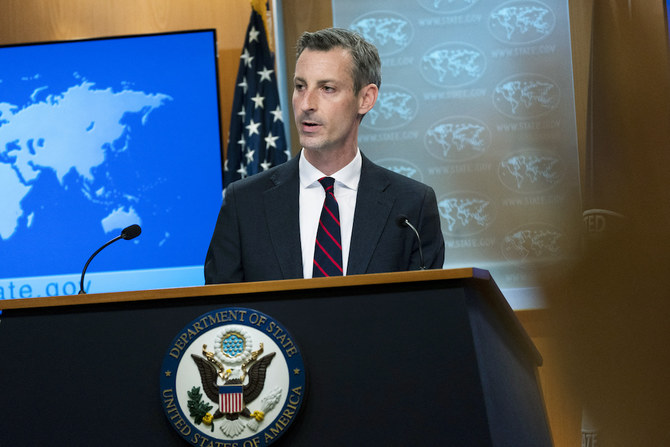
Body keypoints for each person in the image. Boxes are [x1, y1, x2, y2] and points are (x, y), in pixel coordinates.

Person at [204, 27, 444, 284]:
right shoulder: (244, 203)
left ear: (365, 98)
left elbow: (425, 315)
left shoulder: (411, 206)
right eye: (300, 86)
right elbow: (222, 316)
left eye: (327, 88)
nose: (307, 104)